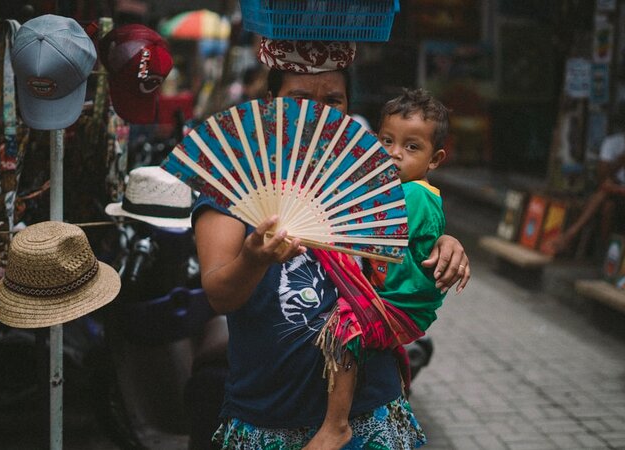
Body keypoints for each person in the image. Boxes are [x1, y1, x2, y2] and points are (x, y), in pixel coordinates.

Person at [191, 38, 470, 450]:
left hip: (371, 409)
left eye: (333, 101)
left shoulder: (365, 176)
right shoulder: (232, 182)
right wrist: (253, 259)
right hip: (271, 414)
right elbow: (219, 295)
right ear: (272, 101)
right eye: (299, 98)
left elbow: (411, 224)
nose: (317, 114)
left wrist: (446, 242)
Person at [307, 88, 450, 450]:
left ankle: (336, 424)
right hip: (393, 300)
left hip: (401, 304)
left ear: (435, 159)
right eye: (386, 140)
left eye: (412, 147)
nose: (394, 153)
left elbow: (375, 234)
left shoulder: (414, 195)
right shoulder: (398, 190)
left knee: (346, 326)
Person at [547, 104, 625, 254]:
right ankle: (604, 253)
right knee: (608, 204)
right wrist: (621, 161)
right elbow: (601, 177)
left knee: (608, 190)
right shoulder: (613, 143)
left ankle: (569, 236)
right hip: (609, 197)